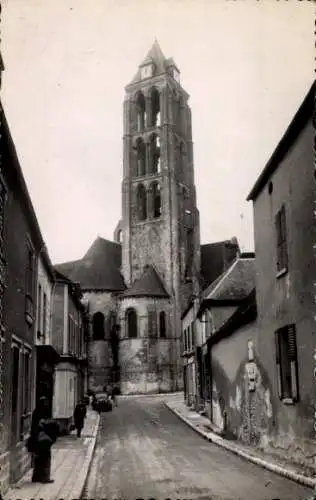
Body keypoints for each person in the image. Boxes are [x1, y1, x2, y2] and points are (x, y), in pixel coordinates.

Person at [28, 396, 59, 483]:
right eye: (45, 402)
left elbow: (34, 426)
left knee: (38, 459)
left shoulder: (36, 412)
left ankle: (36, 477)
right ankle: (45, 477)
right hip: (43, 439)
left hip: (37, 439)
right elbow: (41, 425)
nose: (46, 404)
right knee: (46, 459)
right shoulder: (42, 413)